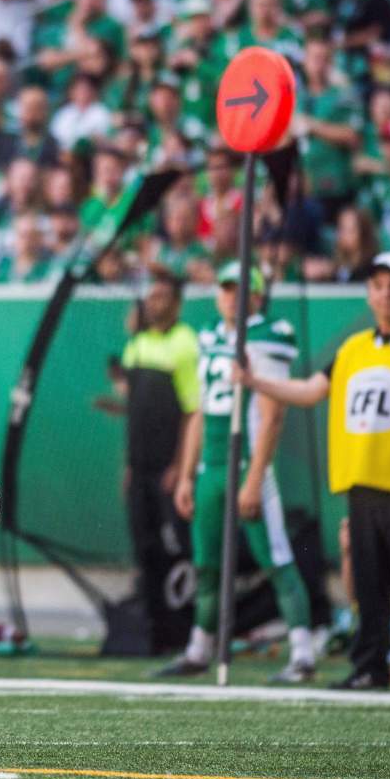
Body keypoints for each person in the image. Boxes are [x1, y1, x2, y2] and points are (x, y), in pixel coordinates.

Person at [236, 253, 390, 690]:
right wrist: (255, 383)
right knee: (368, 584)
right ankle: (369, 666)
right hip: (362, 485)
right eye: (379, 285)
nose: (386, 294)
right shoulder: (353, 350)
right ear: (369, 293)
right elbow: (308, 391)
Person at [160, 263, 315, 682]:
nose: (233, 297)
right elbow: (200, 411)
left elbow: (272, 416)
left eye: (242, 290)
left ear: (259, 296)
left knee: (276, 557)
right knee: (206, 564)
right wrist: (189, 473)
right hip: (211, 466)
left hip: (247, 465)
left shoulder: (267, 336)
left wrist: (253, 476)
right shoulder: (209, 334)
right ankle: (198, 649)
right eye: (226, 289)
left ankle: (302, 653)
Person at [117, 274, 200, 654]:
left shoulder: (186, 344)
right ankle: (156, 635)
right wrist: (130, 464)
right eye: (150, 296)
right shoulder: (136, 345)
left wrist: (181, 468)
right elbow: (134, 412)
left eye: (162, 296)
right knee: (145, 548)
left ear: (177, 302)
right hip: (140, 468)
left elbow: (192, 411)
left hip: (169, 470)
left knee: (177, 550)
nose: (154, 302)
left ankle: (184, 633)